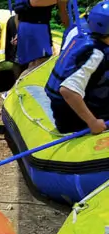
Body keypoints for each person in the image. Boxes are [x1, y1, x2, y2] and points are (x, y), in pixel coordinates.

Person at [45, 0, 109, 134]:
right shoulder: (95, 54)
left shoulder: (88, 38)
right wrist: (92, 122)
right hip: (72, 118)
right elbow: (67, 91)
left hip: (77, 105)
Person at [11, 0, 69, 72]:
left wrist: (18, 32)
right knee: (40, 64)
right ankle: (22, 81)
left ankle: (22, 80)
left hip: (23, 27)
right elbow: (63, 13)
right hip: (39, 28)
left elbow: (17, 15)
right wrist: (70, 29)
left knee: (30, 64)